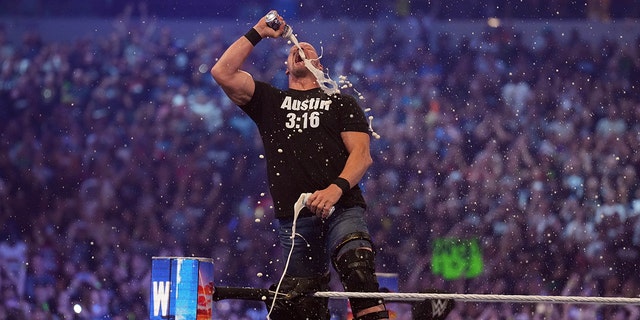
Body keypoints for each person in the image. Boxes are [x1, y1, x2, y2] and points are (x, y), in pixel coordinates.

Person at [211, 11, 389, 320]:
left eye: (307, 51)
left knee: (358, 271)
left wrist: (335, 189)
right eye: (295, 50)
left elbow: (362, 155)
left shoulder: (341, 102)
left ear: (319, 65)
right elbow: (222, 72)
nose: (299, 50)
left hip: (342, 207)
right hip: (295, 220)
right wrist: (258, 31)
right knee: (303, 307)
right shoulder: (271, 101)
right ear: (287, 66)